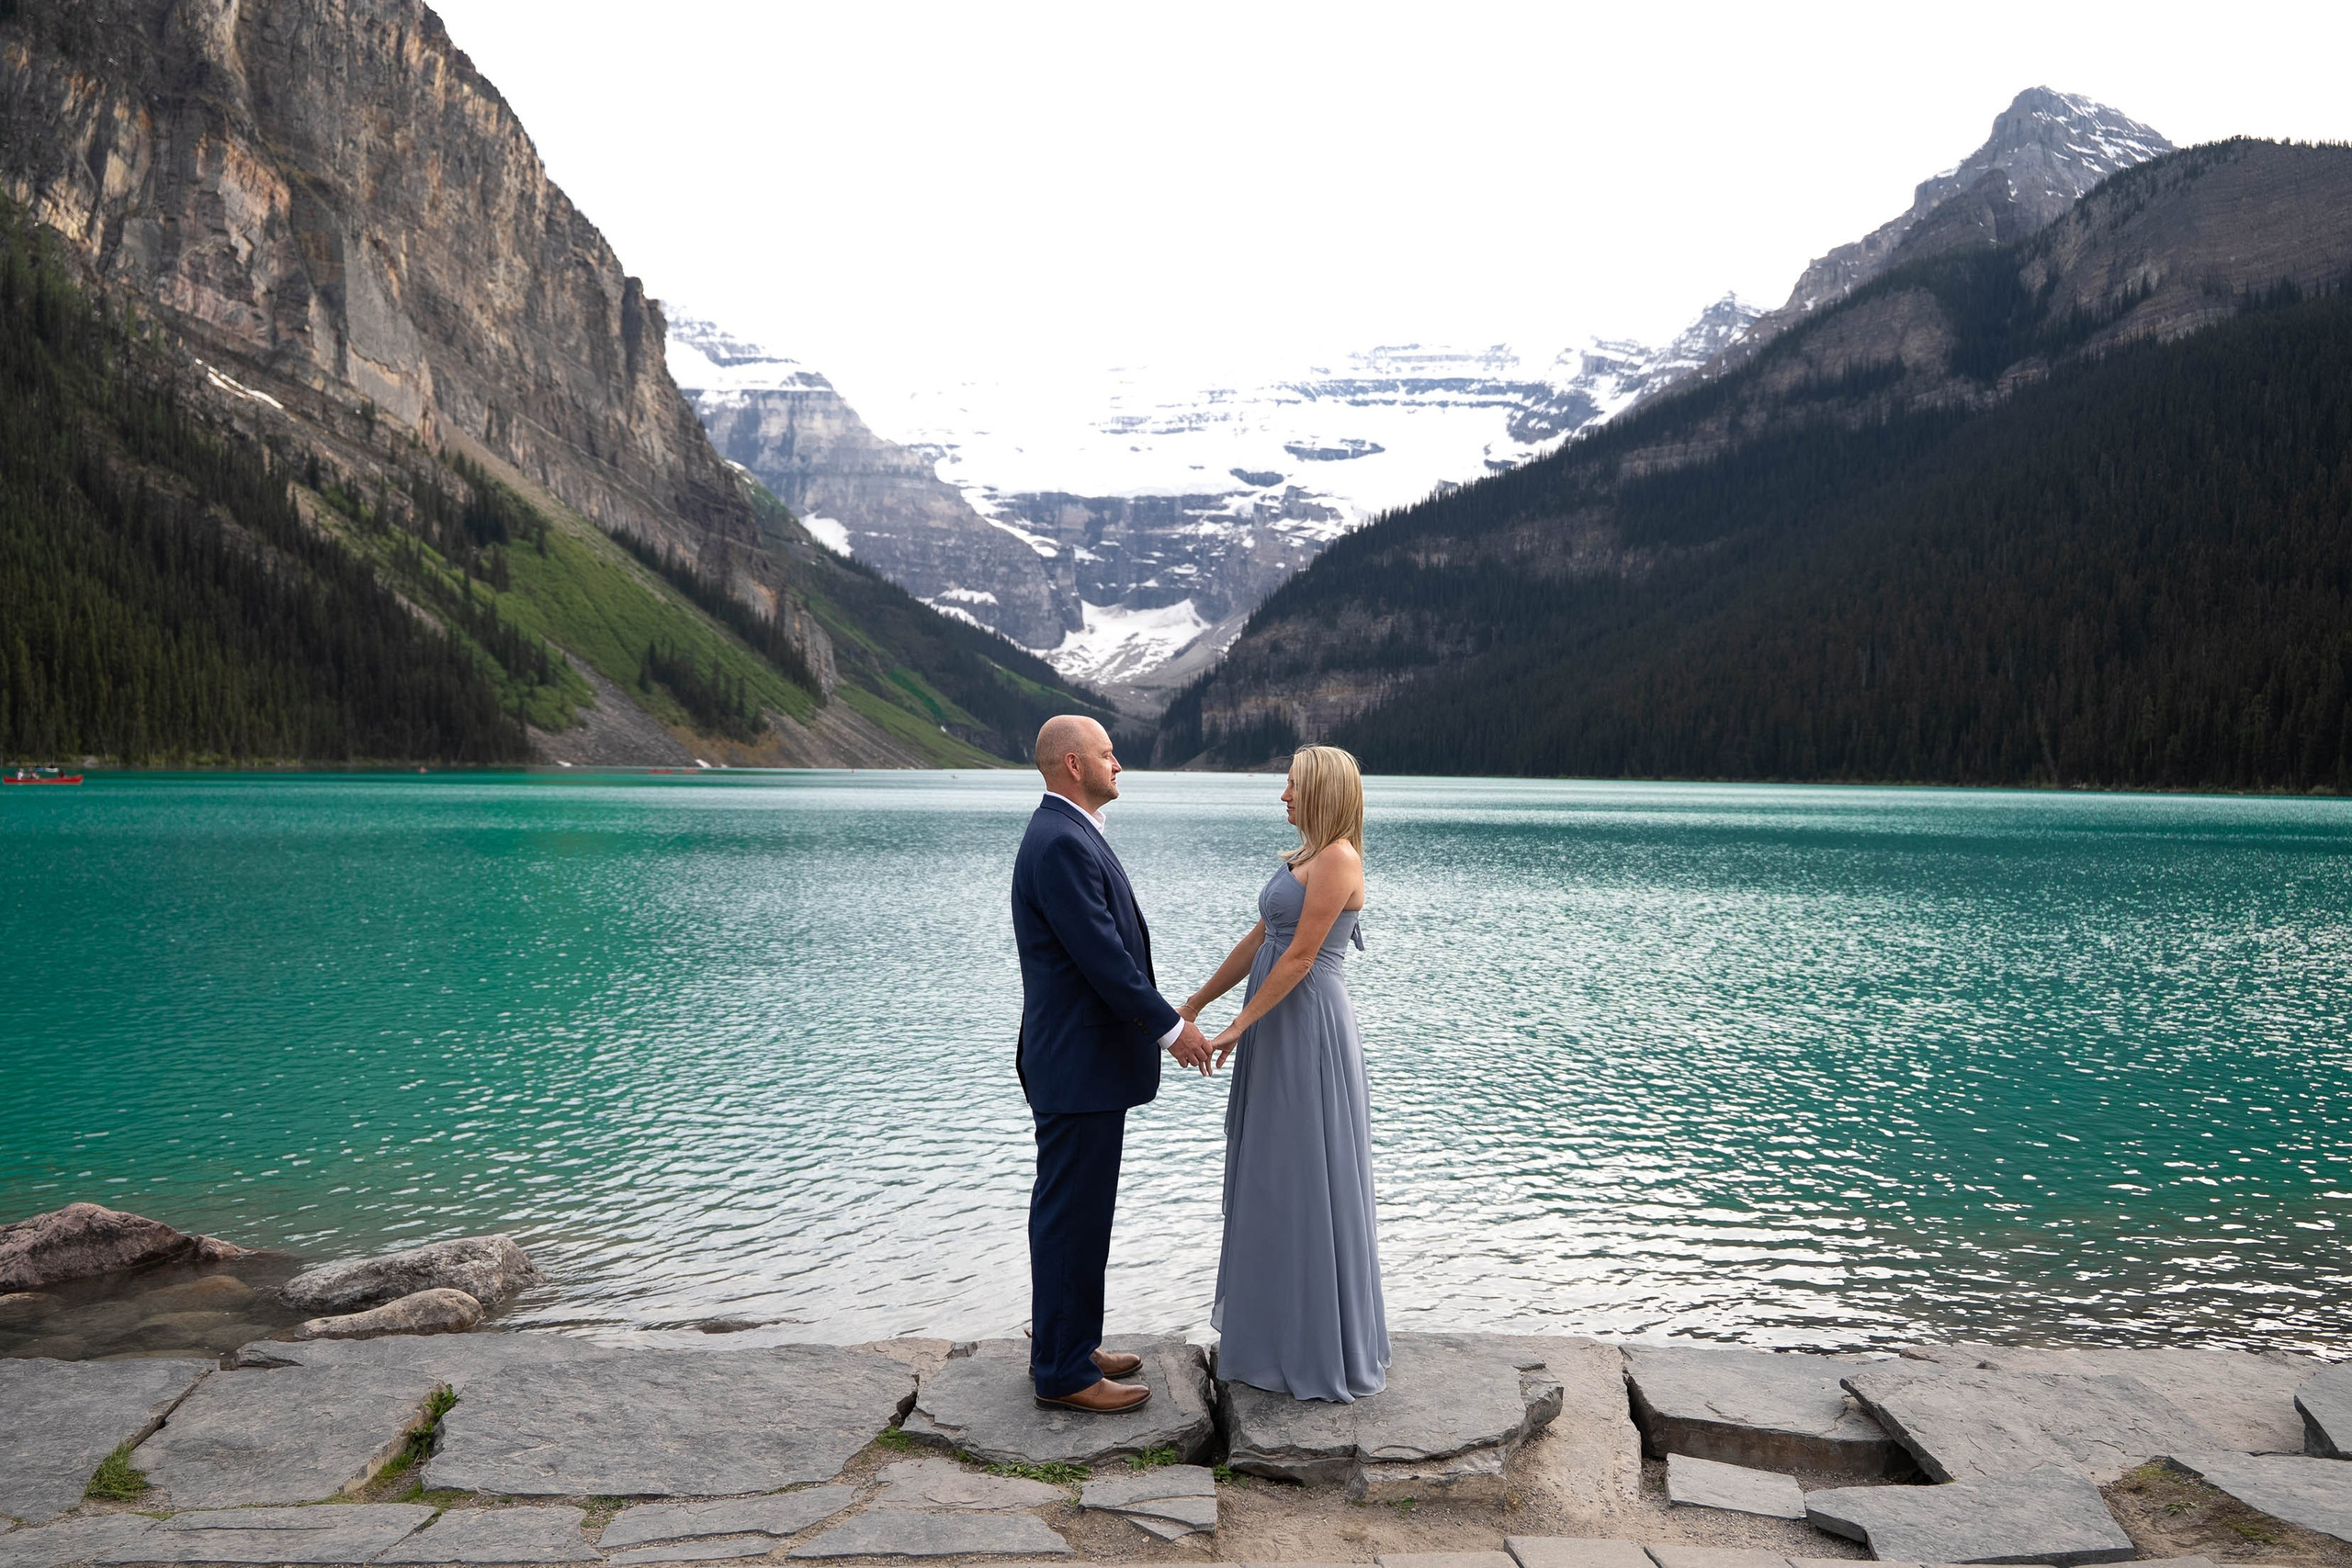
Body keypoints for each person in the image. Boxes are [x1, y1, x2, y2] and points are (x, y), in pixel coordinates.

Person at [1011, 714, 1215, 1413]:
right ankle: (1063, 1373)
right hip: (1078, 1063)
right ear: (1073, 764)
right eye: (1107, 754)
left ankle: (1070, 1342)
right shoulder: (1062, 841)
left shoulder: (1068, 832)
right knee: (1072, 1214)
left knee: (1080, 1211)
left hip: (1080, 1061)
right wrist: (1172, 1029)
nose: (1118, 763)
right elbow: (1103, 957)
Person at [1181, 744, 1389, 1402]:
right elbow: (1260, 940)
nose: (1284, 795)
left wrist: (1239, 1026)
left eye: (1293, 785)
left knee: (1306, 1170)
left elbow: (1300, 958)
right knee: (1272, 1170)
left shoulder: (1339, 858)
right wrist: (1196, 1004)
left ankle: (1315, 1346)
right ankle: (1271, 1335)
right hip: (1275, 1021)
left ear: (1322, 790)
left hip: (1309, 1028)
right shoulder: (1304, 855)